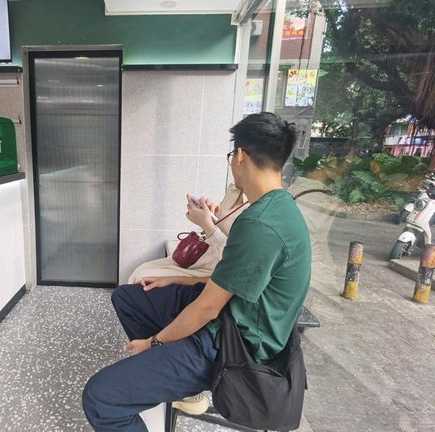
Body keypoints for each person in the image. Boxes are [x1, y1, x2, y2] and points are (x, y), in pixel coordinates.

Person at [82, 112, 311, 432]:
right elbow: (235, 280)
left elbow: (207, 308)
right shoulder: (278, 209)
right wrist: (174, 278)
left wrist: (154, 343)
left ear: (240, 156)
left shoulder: (261, 224)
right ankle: (173, 378)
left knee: (100, 398)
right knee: (129, 298)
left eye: (231, 155)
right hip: (232, 316)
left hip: (232, 347)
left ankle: (172, 366)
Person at [127, 183, 248, 284]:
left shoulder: (254, 210)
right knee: (141, 271)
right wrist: (210, 215)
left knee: (143, 278)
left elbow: (238, 260)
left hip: (215, 268)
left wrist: (207, 226)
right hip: (202, 257)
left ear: (241, 161)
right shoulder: (234, 189)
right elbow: (222, 225)